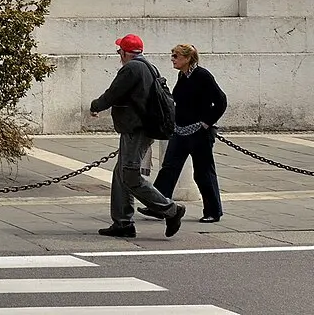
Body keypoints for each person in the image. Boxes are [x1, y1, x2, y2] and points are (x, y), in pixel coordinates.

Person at [89, 32, 184, 238]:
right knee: (120, 174)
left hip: (136, 129)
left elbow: (113, 93)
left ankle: (171, 210)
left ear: (124, 52)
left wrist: (96, 106)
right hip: (139, 127)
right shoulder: (148, 66)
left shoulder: (132, 68)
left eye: (119, 51)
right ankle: (123, 223)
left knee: (130, 175)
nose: (119, 55)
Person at [154, 43, 226, 222]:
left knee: (203, 172)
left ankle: (212, 211)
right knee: (169, 168)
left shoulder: (202, 76)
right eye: (172, 55)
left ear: (187, 58)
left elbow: (221, 101)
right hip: (181, 129)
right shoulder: (183, 75)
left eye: (176, 56)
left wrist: (206, 123)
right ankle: (158, 205)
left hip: (199, 132)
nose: (173, 59)